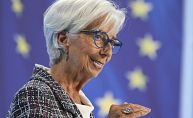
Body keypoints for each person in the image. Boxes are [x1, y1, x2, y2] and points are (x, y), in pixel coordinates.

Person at [7, 0, 151, 117]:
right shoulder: (35, 95)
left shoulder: (79, 104)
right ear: (63, 39)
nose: (107, 52)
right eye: (99, 38)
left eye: (112, 42)